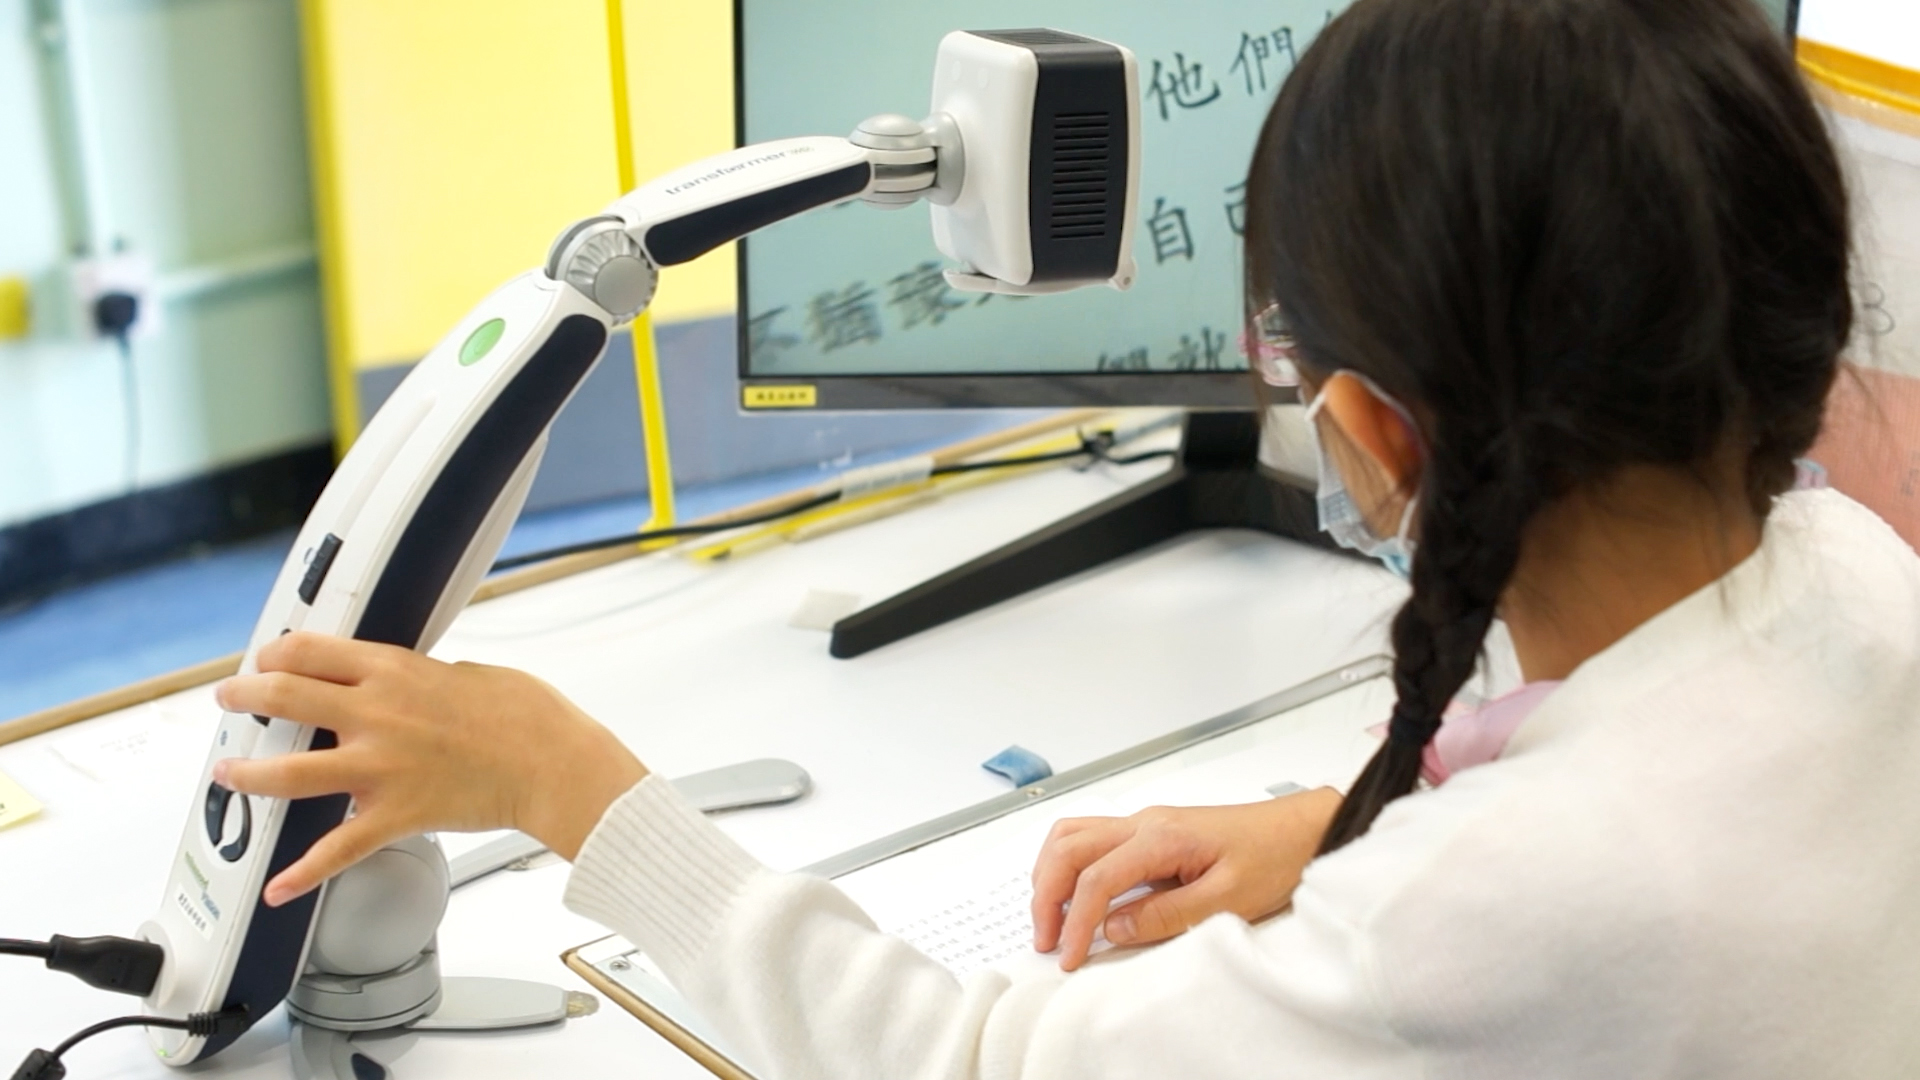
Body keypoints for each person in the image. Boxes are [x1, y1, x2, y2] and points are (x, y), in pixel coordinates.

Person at [214, 0, 1920, 1075]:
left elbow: (974, 1061)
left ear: (1373, 432)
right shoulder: (1861, 588)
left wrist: (573, 789)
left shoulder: (1486, 918)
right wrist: (1336, 824)